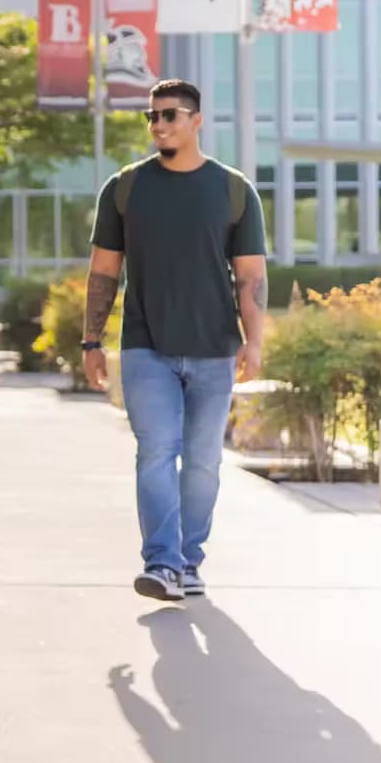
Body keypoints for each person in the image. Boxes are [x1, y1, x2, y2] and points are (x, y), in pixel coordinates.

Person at [82, 79, 268, 603]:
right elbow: (103, 272)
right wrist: (90, 341)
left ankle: (189, 560)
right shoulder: (125, 188)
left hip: (214, 348)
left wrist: (254, 343)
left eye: (170, 115)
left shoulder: (233, 190)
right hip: (146, 346)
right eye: (152, 116)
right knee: (156, 453)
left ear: (196, 120)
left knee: (204, 461)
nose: (159, 124)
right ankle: (161, 562)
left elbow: (250, 276)